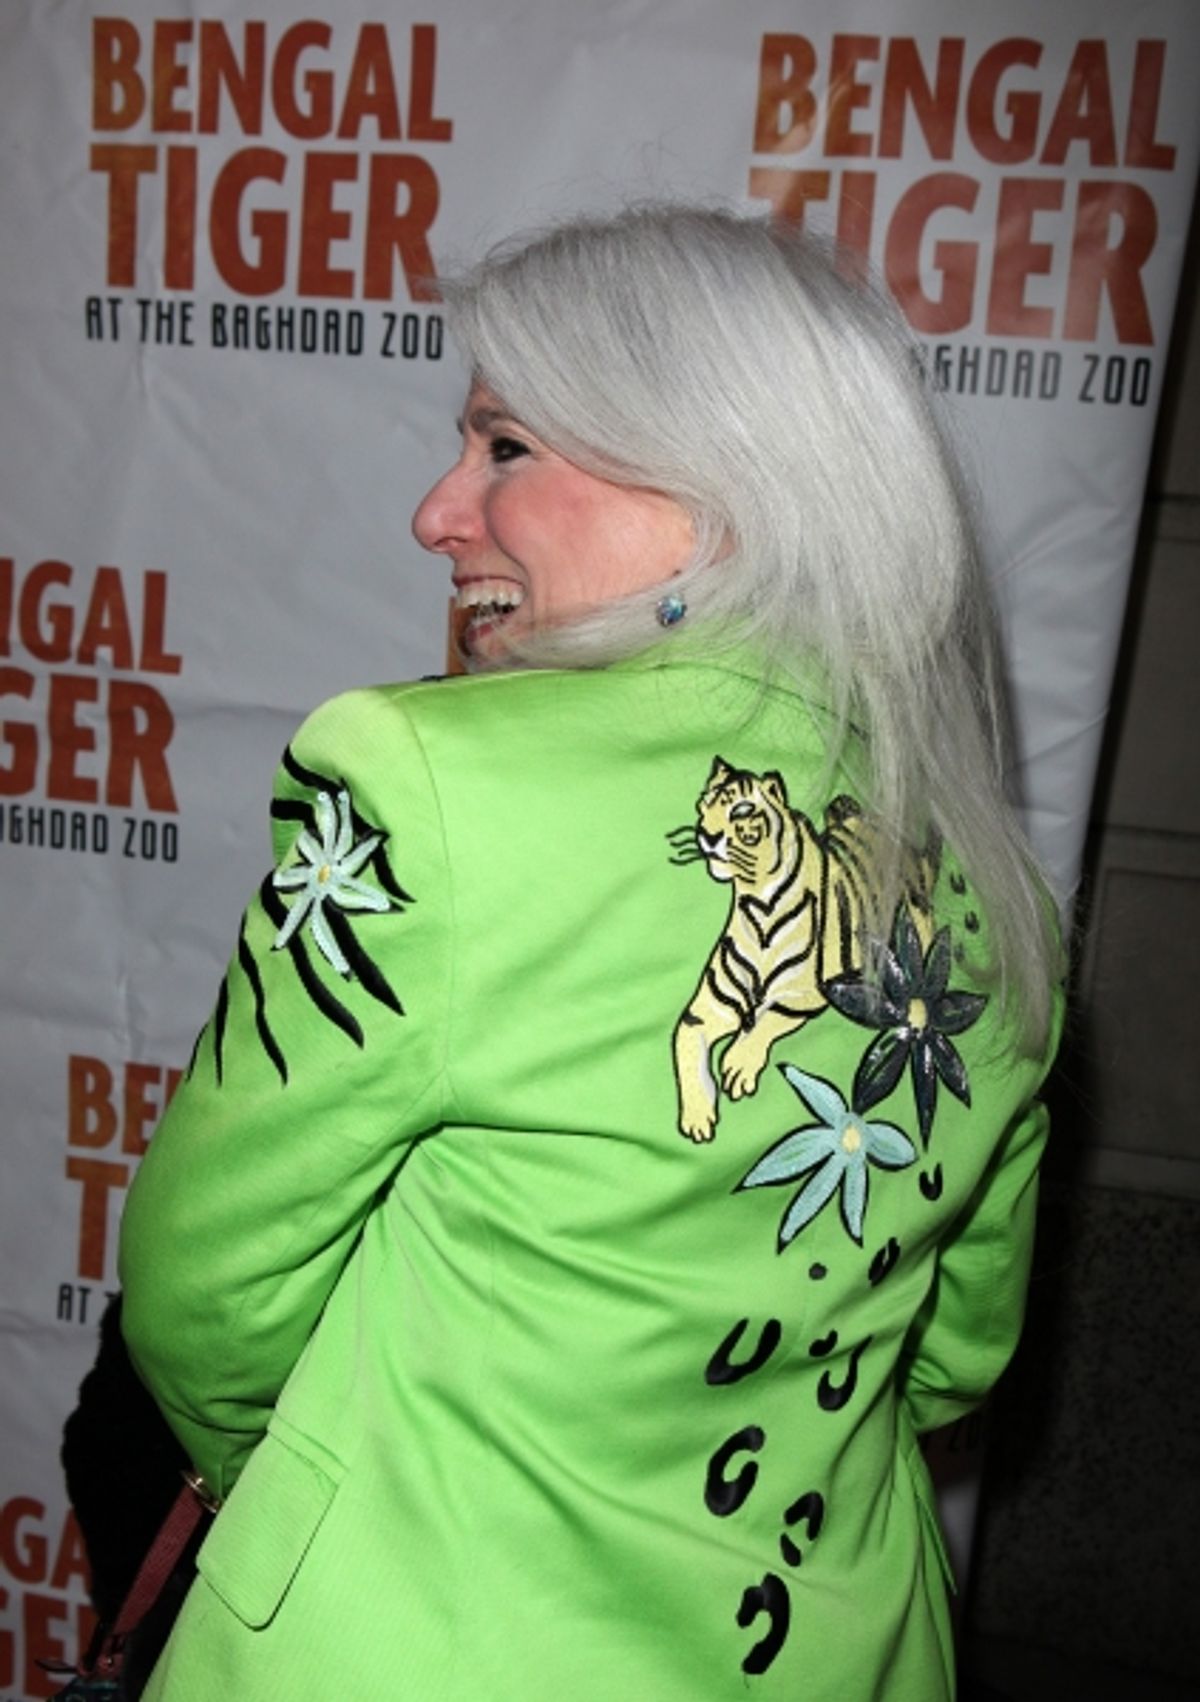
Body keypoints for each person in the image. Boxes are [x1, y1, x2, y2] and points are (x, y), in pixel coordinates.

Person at [118, 206, 1063, 1700]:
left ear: (719, 489)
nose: (440, 511)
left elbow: (199, 1298)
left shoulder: (424, 783)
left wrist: (336, 1483)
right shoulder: (992, 893)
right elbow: (948, 1357)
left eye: (505, 447)